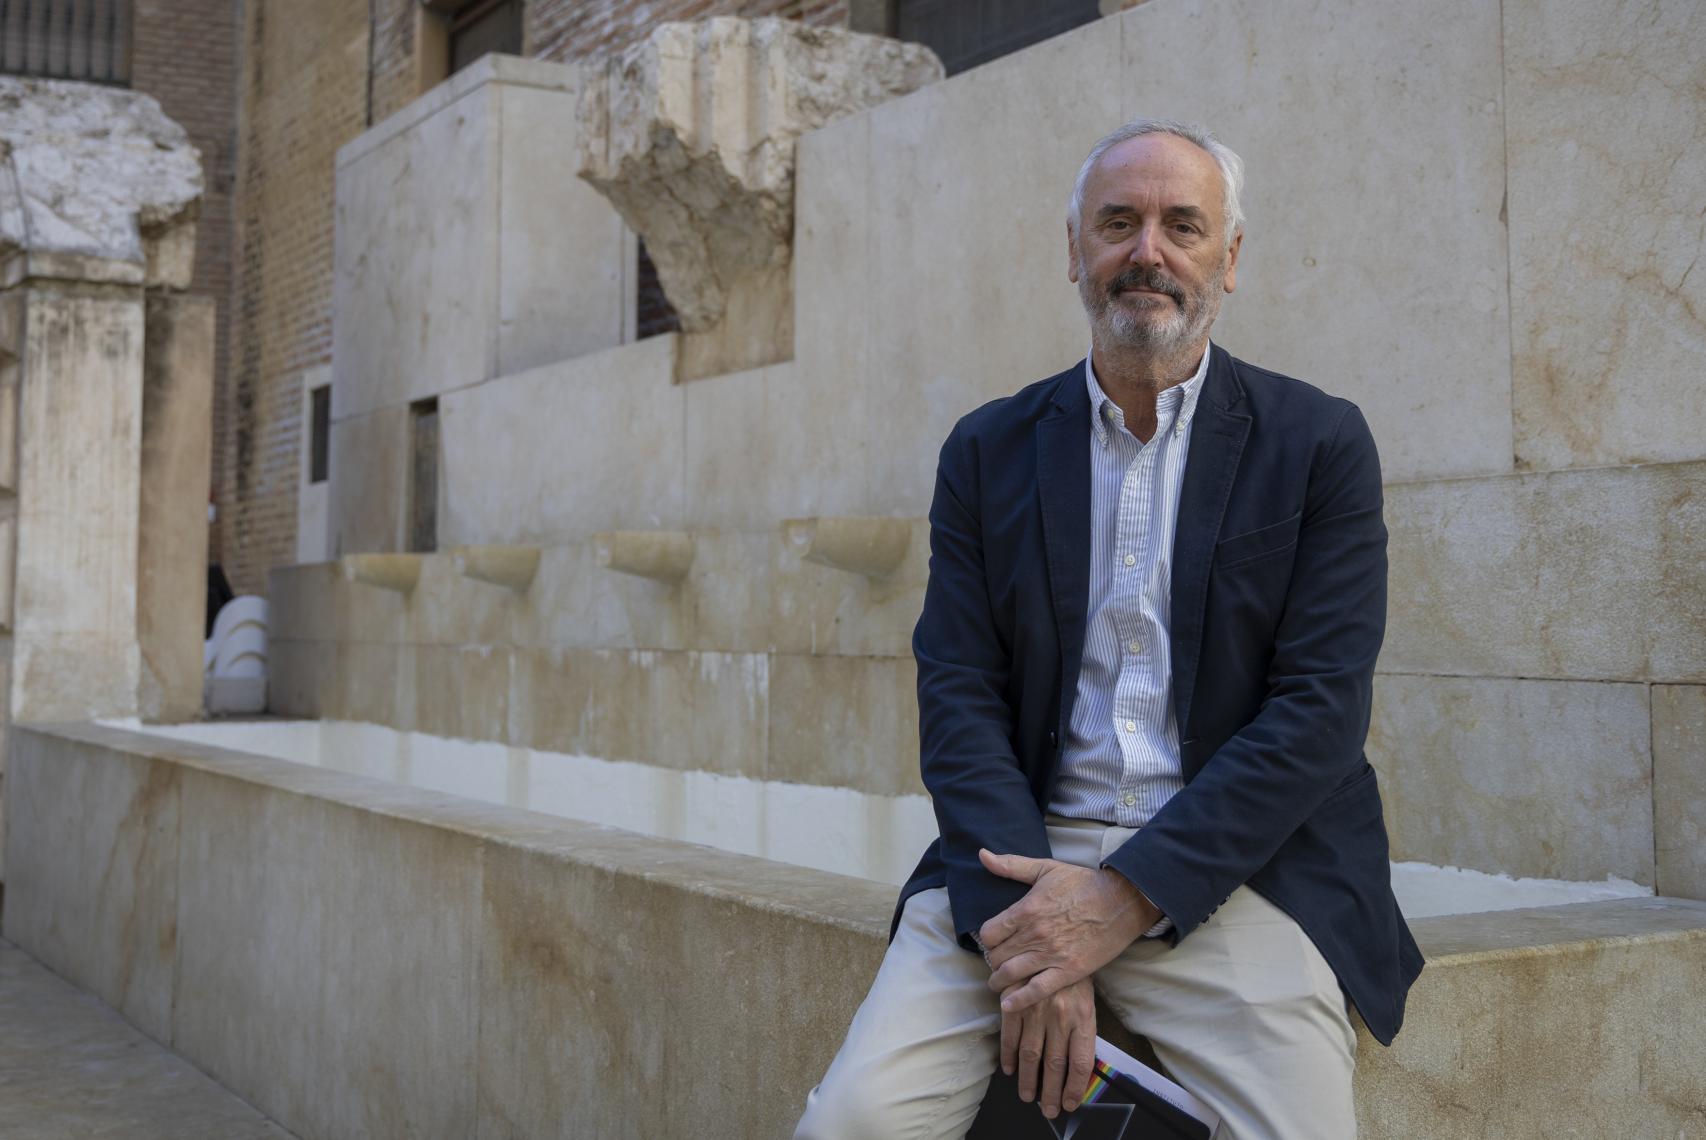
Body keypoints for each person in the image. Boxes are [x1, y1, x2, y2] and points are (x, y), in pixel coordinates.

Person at [793, 118, 1423, 1140]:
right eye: (1117, 223)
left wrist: (1124, 897)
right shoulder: (986, 449)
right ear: (1074, 251)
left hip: (1236, 872)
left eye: (1182, 225)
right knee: (852, 1123)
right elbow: (957, 692)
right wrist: (1033, 939)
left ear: (1229, 256)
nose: (1148, 253)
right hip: (1015, 863)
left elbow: (1317, 711)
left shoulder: (1316, 442)